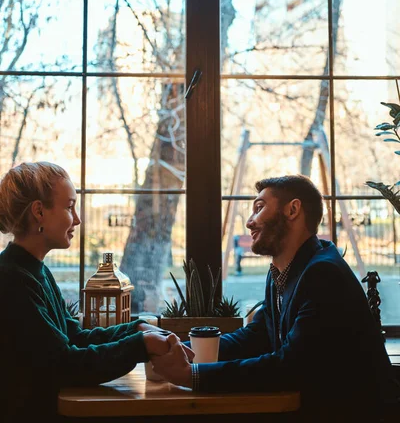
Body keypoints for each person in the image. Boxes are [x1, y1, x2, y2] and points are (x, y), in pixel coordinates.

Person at [151, 175, 400, 422]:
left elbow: (290, 367)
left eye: (259, 208)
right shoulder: (283, 271)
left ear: (292, 210)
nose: (249, 222)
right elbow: (258, 334)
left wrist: (192, 376)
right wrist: (187, 350)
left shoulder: (324, 274)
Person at [0, 161, 193, 423]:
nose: (77, 218)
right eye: (69, 207)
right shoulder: (11, 279)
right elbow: (64, 365)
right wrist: (141, 345)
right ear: (39, 212)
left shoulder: (34, 270)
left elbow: (74, 336)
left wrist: (136, 329)